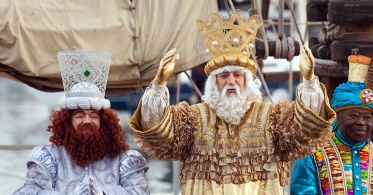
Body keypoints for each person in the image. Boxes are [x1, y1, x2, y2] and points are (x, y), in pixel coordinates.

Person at [129, 10, 336, 195]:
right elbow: (158, 136)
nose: (231, 81)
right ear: (214, 82)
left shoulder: (273, 117)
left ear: (247, 80)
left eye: (237, 75)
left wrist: (309, 81)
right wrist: (158, 84)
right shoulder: (192, 118)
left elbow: (307, 132)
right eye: (223, 76)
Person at [14, 50, 150, 195]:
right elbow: (28, 192)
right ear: (68, 121)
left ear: (104, 122)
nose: (87, 121)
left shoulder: (124, 159)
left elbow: (139, 192)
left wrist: (103, 192)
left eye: (93, 116)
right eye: (79, 115)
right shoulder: (49, 158)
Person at [290, 51, 373, 195]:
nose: (361, 122)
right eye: (354, 115)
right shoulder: (312, 154)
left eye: (367, 118)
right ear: (338, 118)